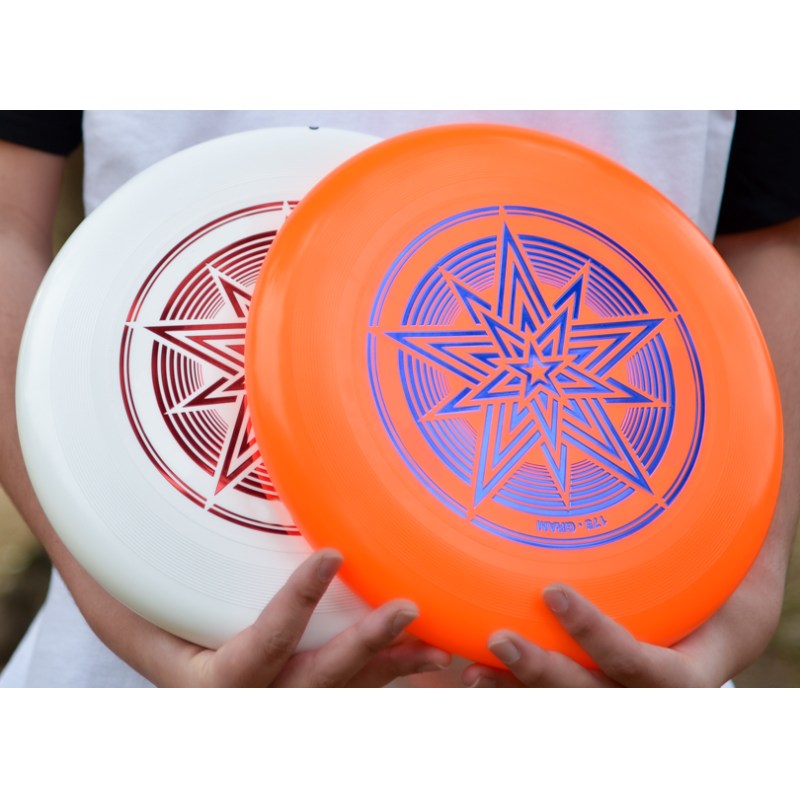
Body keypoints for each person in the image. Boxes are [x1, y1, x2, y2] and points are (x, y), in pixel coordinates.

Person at [0, 111, 798, 688]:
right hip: (160, 623)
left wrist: (743, 601)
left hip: (612, 639)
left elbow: (769, 242)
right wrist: (129, 621)